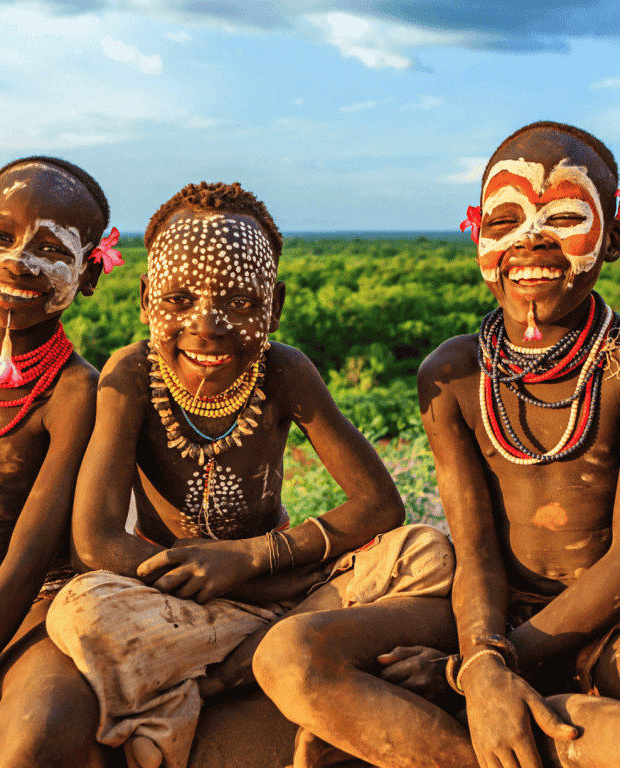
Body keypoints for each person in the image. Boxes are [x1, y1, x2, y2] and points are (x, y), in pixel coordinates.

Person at [253, 121, 620, 768]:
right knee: (289, 657)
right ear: (479, 235)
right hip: (491, 613)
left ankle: (519, 732)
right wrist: (484, 663)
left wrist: (475, 670)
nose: (531, 238)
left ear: (615, 238)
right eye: (506, 217)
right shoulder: (453, 375)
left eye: (565, 215)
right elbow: (477, 549)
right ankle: (505, 744)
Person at [44, 181, 455, 768]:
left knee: (428, 551)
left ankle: (205, 686)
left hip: (296, 586)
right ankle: (265, 666)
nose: (206, 325)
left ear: (276, 306)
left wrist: (254, 559)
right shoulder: (131, 374)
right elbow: (96, 540)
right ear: (144, 299)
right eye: (179, 299)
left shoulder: (285, 372)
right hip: (182, 602)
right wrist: (238, 582)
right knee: (83, 611)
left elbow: (381, 507)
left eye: (239, 303)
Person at [0, 156, 122, 768]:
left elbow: (28, 560)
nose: (18, 261)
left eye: (50, 249)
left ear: (88, 274)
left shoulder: (77, 393)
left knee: (31, 742)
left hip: (35, 608)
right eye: (1, 237)